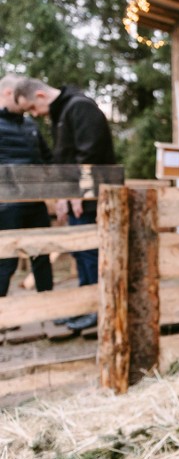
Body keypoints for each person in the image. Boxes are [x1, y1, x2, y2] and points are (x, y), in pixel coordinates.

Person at [15, 78, 116, 331]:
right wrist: (62, 195)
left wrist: (78, 193)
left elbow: (89, 153)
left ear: (39, 95)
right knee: (80, 253)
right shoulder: (62, 114)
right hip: (76, 198)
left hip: (90, 198)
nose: (34, 115)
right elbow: (65, 159)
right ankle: (84, 305)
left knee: (91, 253)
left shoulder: (80, 107)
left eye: (31, 109)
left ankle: (95, 306)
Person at [0, 75, 54, 301]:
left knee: (41, 254)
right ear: (6, 94)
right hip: (7, 205)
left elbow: (46, 158)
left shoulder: (30, 124)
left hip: (35, 201)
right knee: (6, 260)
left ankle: (49, 307)